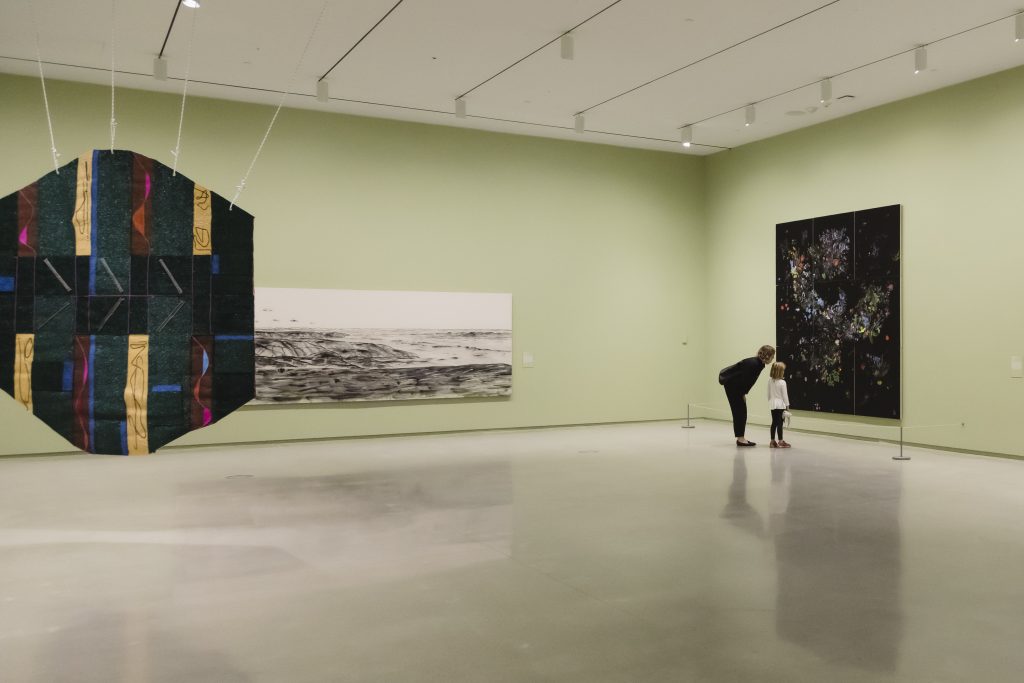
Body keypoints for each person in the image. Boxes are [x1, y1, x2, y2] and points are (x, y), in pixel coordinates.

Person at [718, 345, 775, 447]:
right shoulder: (755, 364)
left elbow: (746, 380)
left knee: (740, 412)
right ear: (767, 356)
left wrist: (743, 392)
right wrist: (742, 393)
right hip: (733, 387)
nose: (773, 358)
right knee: (740, 412)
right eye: (772, 356)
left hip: (734, 387)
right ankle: (741, 439)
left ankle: (741, 438)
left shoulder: (757, 363)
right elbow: (745, 380)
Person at [767, 362, 791, 448]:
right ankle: (780, 441)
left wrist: (771, 401)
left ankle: (772, 441)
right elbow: (785, 396)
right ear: (780, 371)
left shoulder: (770, 380)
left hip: (772, 404)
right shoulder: (782, 382)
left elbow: (768, 394)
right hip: (780, 405)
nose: (784, 372)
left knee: (774, 422)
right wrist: (787, 407)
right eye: (783, 370)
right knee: (780, 423)